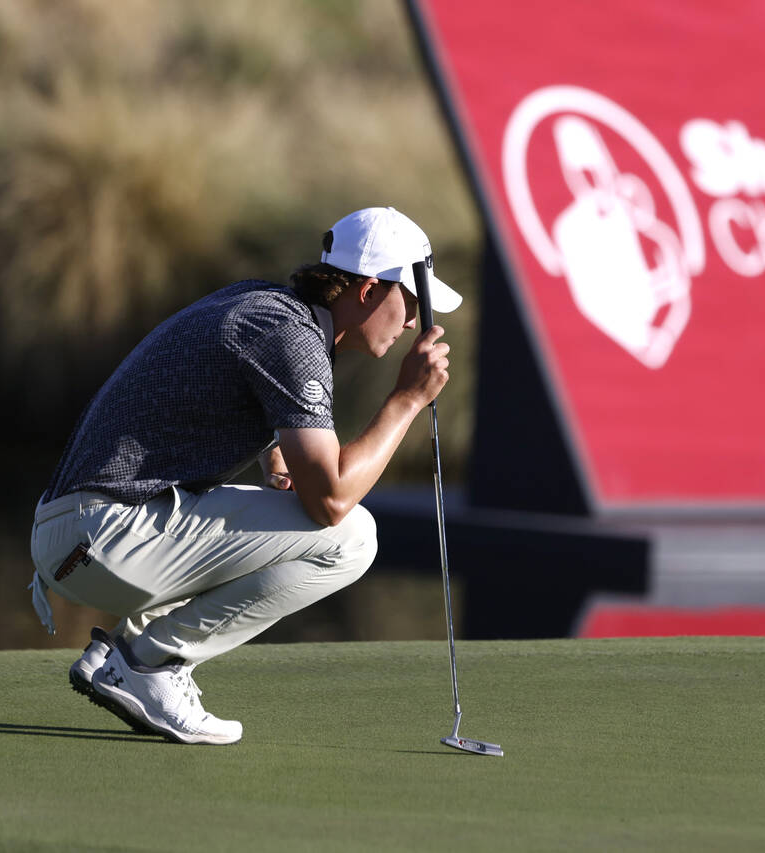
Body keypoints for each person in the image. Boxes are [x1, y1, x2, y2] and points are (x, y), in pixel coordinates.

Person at [28, 207, 461, 745]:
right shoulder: (291, 336)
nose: (415, 323)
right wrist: (407, 400)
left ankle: (122, 657)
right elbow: (332, 500)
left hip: (79, 531)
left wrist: (274, 452)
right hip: (100, 536)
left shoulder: (264, 305)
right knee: (350, 537)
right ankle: (148, 664)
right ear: (370, 290)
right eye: (412, 304)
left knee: (308, 516)